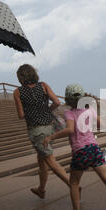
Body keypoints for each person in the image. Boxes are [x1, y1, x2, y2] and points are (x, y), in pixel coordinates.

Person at [13, 64, 70, 199]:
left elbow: (21, 115)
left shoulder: (18, 92)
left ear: (21, 77)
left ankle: (72, 184)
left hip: (36, 130)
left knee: (49, 159)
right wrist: (46, 110)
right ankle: (41, 189)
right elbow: (56, 102)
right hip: (50, 127)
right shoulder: (43, 85)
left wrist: (31, 112)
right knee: (41, 159)